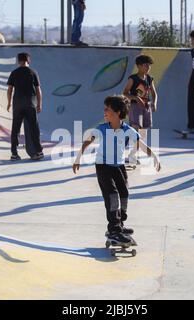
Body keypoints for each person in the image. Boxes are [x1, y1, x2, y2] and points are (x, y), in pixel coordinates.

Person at [72, 95, 161, 245]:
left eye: (108, 109)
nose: (104, 111)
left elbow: (140, 144)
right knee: (112, 196)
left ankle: (119, 224)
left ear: (118, 113)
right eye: (104, 108)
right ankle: (113, 230)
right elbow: (87, 142)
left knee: (124, 194)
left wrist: (154, 157)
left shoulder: (127, 130)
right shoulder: (102, 128)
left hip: (119, 166)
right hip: (103, 166)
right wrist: (78, 158)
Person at [7, 52, 44, 161]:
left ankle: (14, 153)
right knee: (34, 129)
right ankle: (38, 151)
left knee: (15, 129)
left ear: (18, 61)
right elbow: (38, 90)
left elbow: (9, 90)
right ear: (29, 61)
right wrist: (39, 103)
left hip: (17, 104)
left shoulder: (14, 73)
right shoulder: (33, 72)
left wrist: (9, 103)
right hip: (30, 104)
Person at [122, 55, 158, 166]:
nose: (148, 67)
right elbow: (125, 93)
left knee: (142, 134)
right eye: (145, 65)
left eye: (149, 65)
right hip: (135, 107)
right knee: (135, 131)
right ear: (138, 66)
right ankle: (121, 153)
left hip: (146, 107)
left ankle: (132, 155)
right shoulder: (133, 78)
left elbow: (154, 93)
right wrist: (136, 98)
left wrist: (154, 103)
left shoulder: (149, 78)